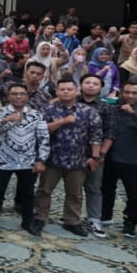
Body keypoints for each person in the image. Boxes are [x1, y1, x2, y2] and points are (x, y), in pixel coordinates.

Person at [34, 77, 103, 237]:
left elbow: (96, 135)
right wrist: (63, 121)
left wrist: (95, 157)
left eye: (69, 89)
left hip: (78, 160)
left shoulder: (88, 111)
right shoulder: (48, 109)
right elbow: (41, 131)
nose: (66, 92)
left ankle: (72, 221)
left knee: (75, 193)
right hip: (52, 159)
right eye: (62, 89)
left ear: (76, 91)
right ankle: (39, 217)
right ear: (57, 92)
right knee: (44, 190)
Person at [0, 84, 50, 234]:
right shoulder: (0, 112)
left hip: (28, 161)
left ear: (27, 96)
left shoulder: (36, 115)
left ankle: (28, 221)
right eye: (14, 94)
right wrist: (6, 120)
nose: (18, 96)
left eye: (22, 94)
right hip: (3, 160)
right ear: (8, 96)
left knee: (27, 193)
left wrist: (41, 160)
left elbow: (43, 137)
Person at [99, 79, 137, 239]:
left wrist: (133, 112)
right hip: (111, 158)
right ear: (122, 93)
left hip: (133, 162)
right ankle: (105, 216)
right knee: (106, 190)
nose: (130, 96)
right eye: (127, 92)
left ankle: (130, 223)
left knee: (134, 196)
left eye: (135, 93)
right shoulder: (113, 110)